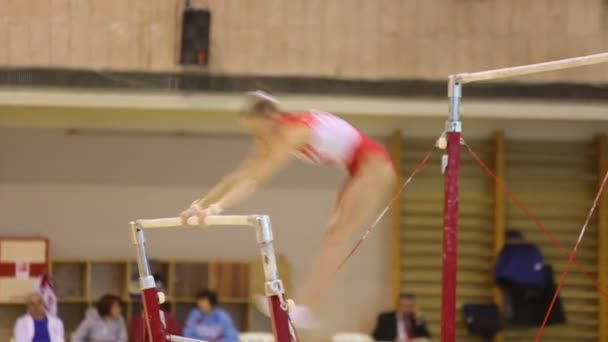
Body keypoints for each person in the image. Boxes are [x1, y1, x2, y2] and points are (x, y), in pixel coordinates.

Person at [180, 90, 397, 327]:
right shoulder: (272, 137)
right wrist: (199, 205)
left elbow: (255, 180)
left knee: (337, 236)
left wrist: (216, 209)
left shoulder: (293, 132)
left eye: (258, 129)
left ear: (271, 117)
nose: (257, 136)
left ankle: (307, 308)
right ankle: (305, 307)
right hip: (357, 167)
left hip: (374, 165)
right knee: (334, 235)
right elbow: (240, 174)